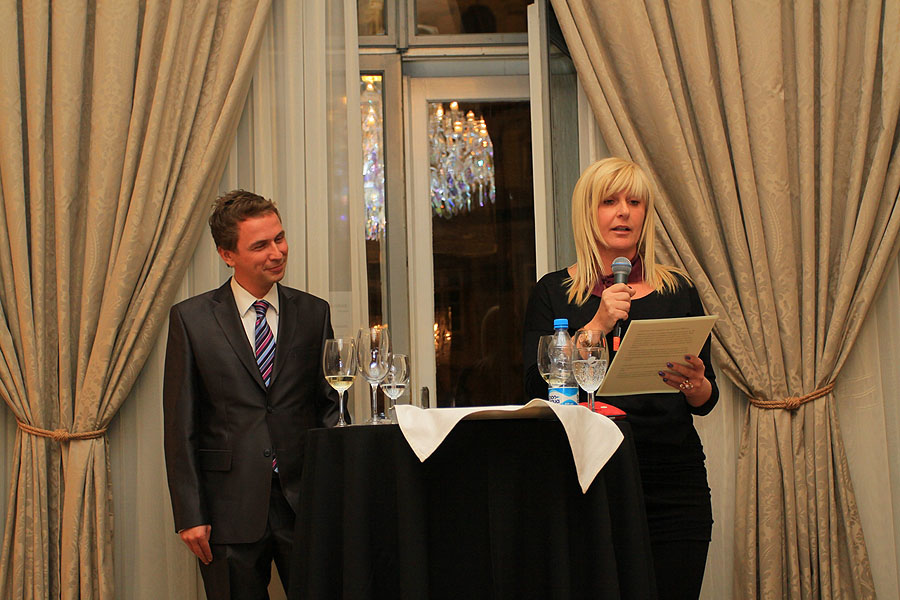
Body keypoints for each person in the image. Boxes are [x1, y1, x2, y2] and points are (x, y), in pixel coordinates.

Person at [522, 158, 718, 599]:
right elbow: (535, 386)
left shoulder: (678, 289)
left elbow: (706, 399)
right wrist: (597, 324)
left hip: (672, 482)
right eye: (609, 201)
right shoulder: (552, 292)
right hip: (587, 480)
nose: (624, 212)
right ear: (587, 212)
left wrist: (696, 385)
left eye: (635, 202)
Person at [163, 190, 342, 598]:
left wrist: (332, 494)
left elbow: (328, 407)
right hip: (227, 509)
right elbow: (180, 425)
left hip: (304, 503)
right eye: (260, 245)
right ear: (227, 254)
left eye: (279, 238)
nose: (277, 253)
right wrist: (190, 513)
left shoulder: (314, 313)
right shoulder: (191, 320)